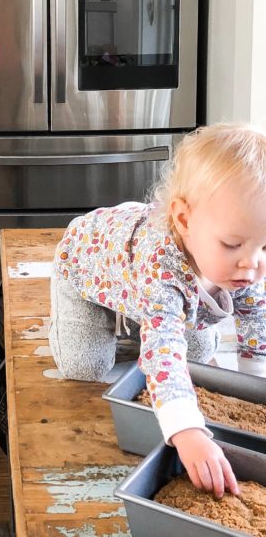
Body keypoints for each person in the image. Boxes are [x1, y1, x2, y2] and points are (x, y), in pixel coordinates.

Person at [49, 123, 266, 499]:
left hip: (163, 283)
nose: (252, 265)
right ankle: (119, 318)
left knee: (198, 355)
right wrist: (187, 431)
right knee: (87, 366)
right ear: (184, 220)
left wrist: (257, 393)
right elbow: (164, 352)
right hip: (89, 263)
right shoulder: (160, 266)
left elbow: (257, 327)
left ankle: (143, 320)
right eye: (232, 244)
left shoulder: (247, 257)